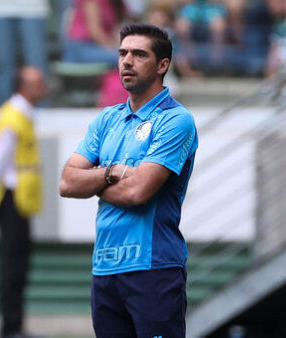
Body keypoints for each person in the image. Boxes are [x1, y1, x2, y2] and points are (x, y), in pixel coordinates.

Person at [59, 23, 198, 338]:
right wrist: (112, 173)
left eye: (139, 54)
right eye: (122, 53)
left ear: (162, 65)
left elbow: (138, 191)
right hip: (105, 269)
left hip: (154, 268)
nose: (127, 61)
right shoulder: (107, 119)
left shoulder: (175, 120)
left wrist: (94, 184)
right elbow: (67, 183)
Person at [0, 66, 49, 338]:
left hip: (18, 197)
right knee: (12, 263)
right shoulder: (13, 116)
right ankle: (10, 327)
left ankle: (15, 325)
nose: (43, 86)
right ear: (24, 87)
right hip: (10, 197)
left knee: (18, 262)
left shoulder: (23, 114)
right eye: (38, 82)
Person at [63, 0, 132, 65]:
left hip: (100, 48)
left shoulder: (117, 0)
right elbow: (95, 32)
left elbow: (119, 28)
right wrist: (114, 48)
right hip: (81, 47)